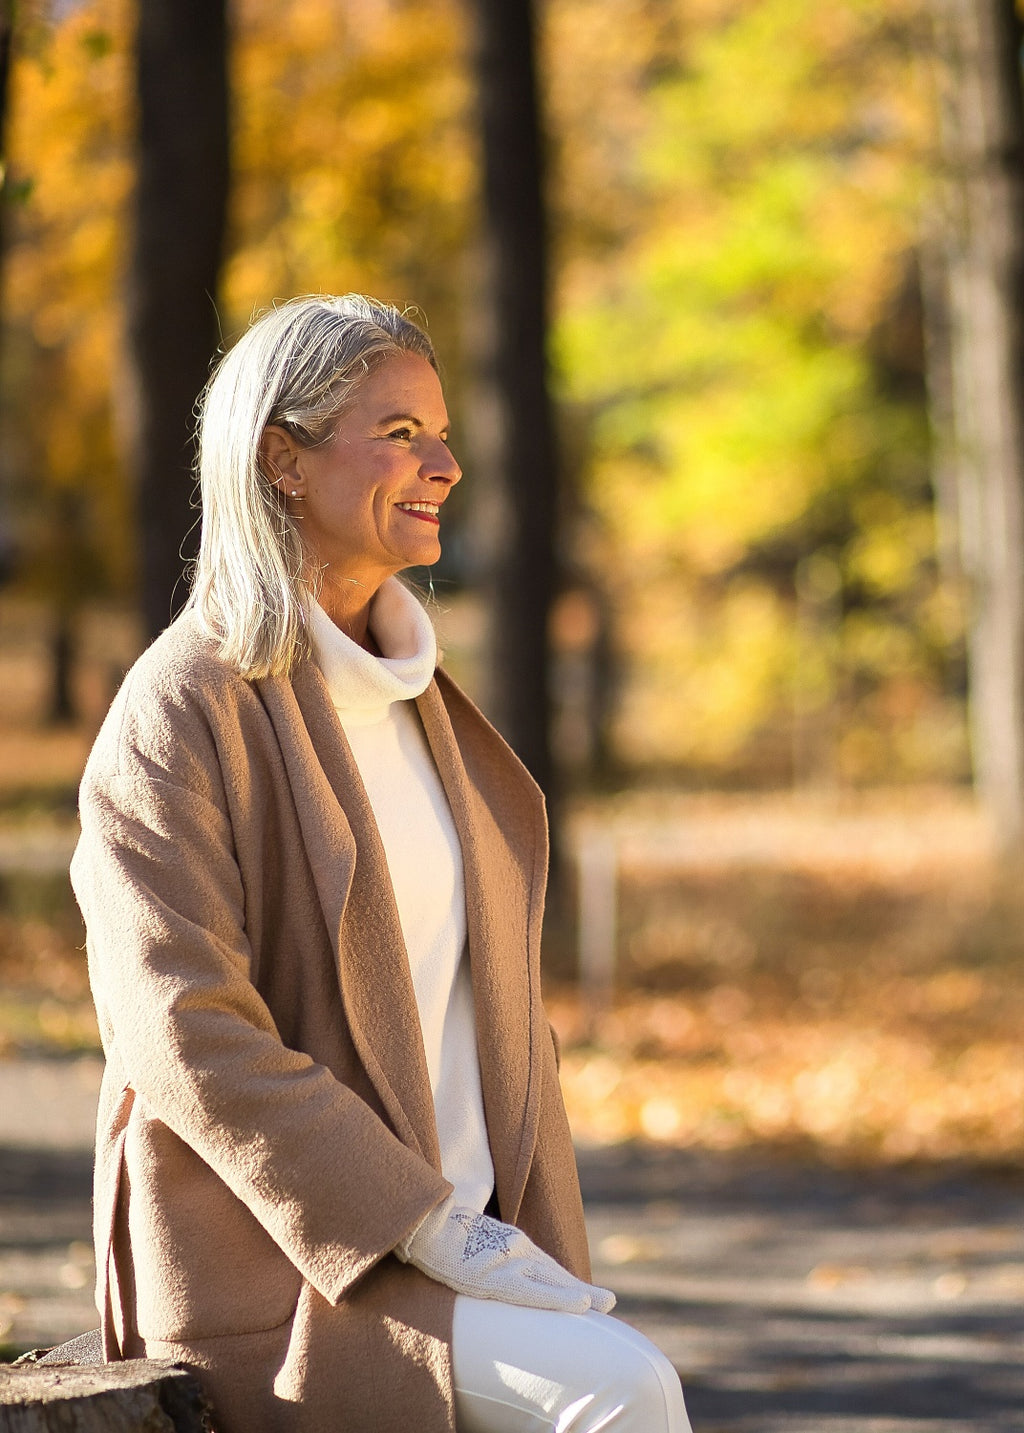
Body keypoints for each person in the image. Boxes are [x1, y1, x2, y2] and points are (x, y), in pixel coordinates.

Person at [70, 294, 693, 1433]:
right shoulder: (182, 707)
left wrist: (499, 1226)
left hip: (472, 1252)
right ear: (282, 460)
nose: (445, 464)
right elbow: (180, 1023)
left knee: (619, 1367)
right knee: (624, 1387)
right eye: (401, 432)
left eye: (441, 433)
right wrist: (421, 1219)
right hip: (290, 1272)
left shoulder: (426, 707)